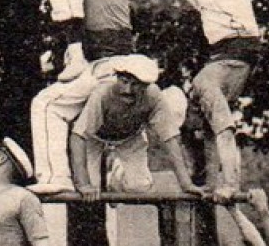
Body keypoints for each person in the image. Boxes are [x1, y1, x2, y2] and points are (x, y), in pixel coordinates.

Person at [99, 0, 265, 201]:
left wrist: (226, 186)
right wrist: (228, 185)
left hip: (233, 30)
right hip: (234, 29)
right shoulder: (206, 87)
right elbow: (224, 134)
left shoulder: (206, 86)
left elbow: (222, 134)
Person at [27, 0, 141, 192]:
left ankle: (55, 177)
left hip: (109, 67)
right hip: (110, 64)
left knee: (47, 105)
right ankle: (114, 171)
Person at [67, 55, 204, 201]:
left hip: (130, 138)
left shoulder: (154, 96)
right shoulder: (102, 93)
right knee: (90, 190)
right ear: (117, 78)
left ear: (146, 85)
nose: (128, 90)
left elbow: (169, 138)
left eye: (135, 85)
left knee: (139, 187)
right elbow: (78, 136)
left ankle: (116, 175)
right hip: (94, 137)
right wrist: (83, 183)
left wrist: (186, 184)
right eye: (124, 82)